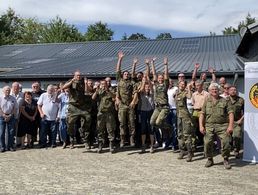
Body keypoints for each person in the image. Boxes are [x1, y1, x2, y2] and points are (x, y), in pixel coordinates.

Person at [199, 83, 234, 169]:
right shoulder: (207, 101)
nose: (214, 91)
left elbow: (231, 113)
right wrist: (201, 126)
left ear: (219, 91)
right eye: (212, 90)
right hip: (209, 125)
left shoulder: (225, 101)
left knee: (226, 142)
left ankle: (225, 159)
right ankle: (210, 159)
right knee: (207, 142)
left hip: (222, 125)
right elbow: (202, 114)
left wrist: (230, 126)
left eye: (216, 89)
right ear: (210, 91)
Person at [62, 70, 92, 150]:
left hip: (82, 106)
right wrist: (71, 81)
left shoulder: (83, 82)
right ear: (74, 76)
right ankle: (71, 140)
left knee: (88, 119)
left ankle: (85, 139)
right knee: (70, 123)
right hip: (73, 106)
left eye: (79, 75)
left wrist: (86, 83)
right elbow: (63, 87)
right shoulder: (71, 81)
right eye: (77, 75)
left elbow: (88, 91)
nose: (79, 77)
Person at [116, 51, 138, 148]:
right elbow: (117, 70)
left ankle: (132, 139)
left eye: (127, 74)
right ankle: (122, 140)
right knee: (122, 123)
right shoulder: (119, 80)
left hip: (130, 105)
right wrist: (120, 59)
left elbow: (135, 92)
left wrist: (133, 101)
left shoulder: (132, 82)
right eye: (124, 74)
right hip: (122, 105)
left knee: (131, 123)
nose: (126, 75)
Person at [150, 57, 171, 151]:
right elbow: (153, 74)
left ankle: (168, 128)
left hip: (165, 107)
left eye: (161, 78)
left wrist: (166, 65)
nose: (160, 79)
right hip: (157, 108)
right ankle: (166, 128)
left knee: (158, 122)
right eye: (159, 78)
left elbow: (166, 75)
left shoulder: (165, 85)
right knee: (152, 122)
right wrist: (152, 63)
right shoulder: (156, 84)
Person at [92, 80, 116, 153]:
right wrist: (96, 91)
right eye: (102, 84)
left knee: (110, 130)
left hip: (109, 113)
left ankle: (111, 146)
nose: (103, 85)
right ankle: (100, 146)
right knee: (100, 130)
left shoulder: (111, 90)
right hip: (101, 113)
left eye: (104, 84)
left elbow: (114, 97)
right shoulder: (99, 91)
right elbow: (93, 98)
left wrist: (107, 90)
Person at [176, 80, 195, 162]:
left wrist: (189, 88)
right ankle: (182, 150)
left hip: (185, 116)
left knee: (187, 134)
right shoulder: (177, 93)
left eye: (184, 84)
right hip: (178, 115)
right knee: (180, 134)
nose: (182, 85)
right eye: (181, 84)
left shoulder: (186, 92)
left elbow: (189, 97)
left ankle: (190, 152)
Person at [138, 72, 155, 153]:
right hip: (143, 112)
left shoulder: (151, 93)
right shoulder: (142, 93)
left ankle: (152, 145)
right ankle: (143, 145)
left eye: (148, 87)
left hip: (151, 112)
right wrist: (143, 81)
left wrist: (147, 77)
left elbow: (151, 87)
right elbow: (141, 89)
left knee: (151, 128)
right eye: (146, 87)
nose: (147, 88)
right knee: (143, 129)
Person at [0, 86, 18, 152]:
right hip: (2, 117)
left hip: (11, 116)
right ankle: (2, 147)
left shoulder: (13, 98)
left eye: (9, 90)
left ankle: (10, 146)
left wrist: (10, 115)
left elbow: (15, 108)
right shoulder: (0, 98)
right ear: (3, 91)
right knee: (1, 133)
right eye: (6, 90)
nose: (8, 91)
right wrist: (4, 115)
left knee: (11, 132)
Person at [191, 80, 209, 146]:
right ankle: (199, 141)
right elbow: (193, 103)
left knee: (203, 127)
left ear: (202, 86)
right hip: (195, 111)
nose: (197, 87)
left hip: (203, 111)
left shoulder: (206, 94)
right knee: (195, 127)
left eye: (198, 85)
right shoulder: (194, 94)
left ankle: (205, 143)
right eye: (196, 86)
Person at [228, 86, 244, 158]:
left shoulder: (241, 100)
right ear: (228, 91)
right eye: (231, 90)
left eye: (235, 90)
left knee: (237, 136)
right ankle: (227, 150)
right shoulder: (224, 100)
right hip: (227, 122)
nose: (233, 91)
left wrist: (241, 120)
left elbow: (246, 111)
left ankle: (236, 150)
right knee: (227, 137)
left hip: (237, 122)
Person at [167, 78, 178, 151]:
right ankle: (168, 142)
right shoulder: (165, 89)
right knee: (168, 127)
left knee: (174, 127)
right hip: (166, 110)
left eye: (171, 82)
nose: (170, 83)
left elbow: (177, 93)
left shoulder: (175, 88)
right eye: (168, 82)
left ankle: (174, 144)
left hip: (174, 109)